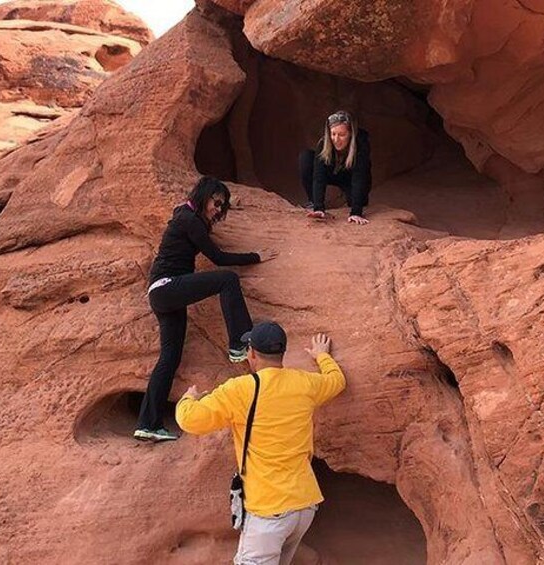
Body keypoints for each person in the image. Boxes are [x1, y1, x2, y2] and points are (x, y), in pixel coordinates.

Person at [176, 322, 346, 565]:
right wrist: (323, 357)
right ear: (282, 353)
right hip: (303, 506)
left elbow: (189, 420)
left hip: (270, 511)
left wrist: (187, 399)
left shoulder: (241, 390)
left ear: (252, 354)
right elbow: (336, 381)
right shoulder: (304, 383)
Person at [133, 176, 277, 442]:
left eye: (222, 206)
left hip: (163, 293)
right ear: (204, 195)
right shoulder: (189, 219)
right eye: (216, 202)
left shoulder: (185, 216)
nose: (218, 210)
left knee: (170, 357)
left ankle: (148, 424)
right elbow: (218, 258)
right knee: (227, 279)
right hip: (167, 287)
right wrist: (256, 257)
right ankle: (239, 344)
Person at [299, 110, 372, 225]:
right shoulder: (323, 144)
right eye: (333, 134)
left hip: (350, 176)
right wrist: (319, 207)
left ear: (351, 134)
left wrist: (356, 212)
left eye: (342, 135)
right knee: (306, 157)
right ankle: (313, 201)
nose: (336, 139)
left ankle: (352, 201)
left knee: (359, 200)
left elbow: (360, 178)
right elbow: (319, 177)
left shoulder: (360, 146)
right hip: (332, 172)